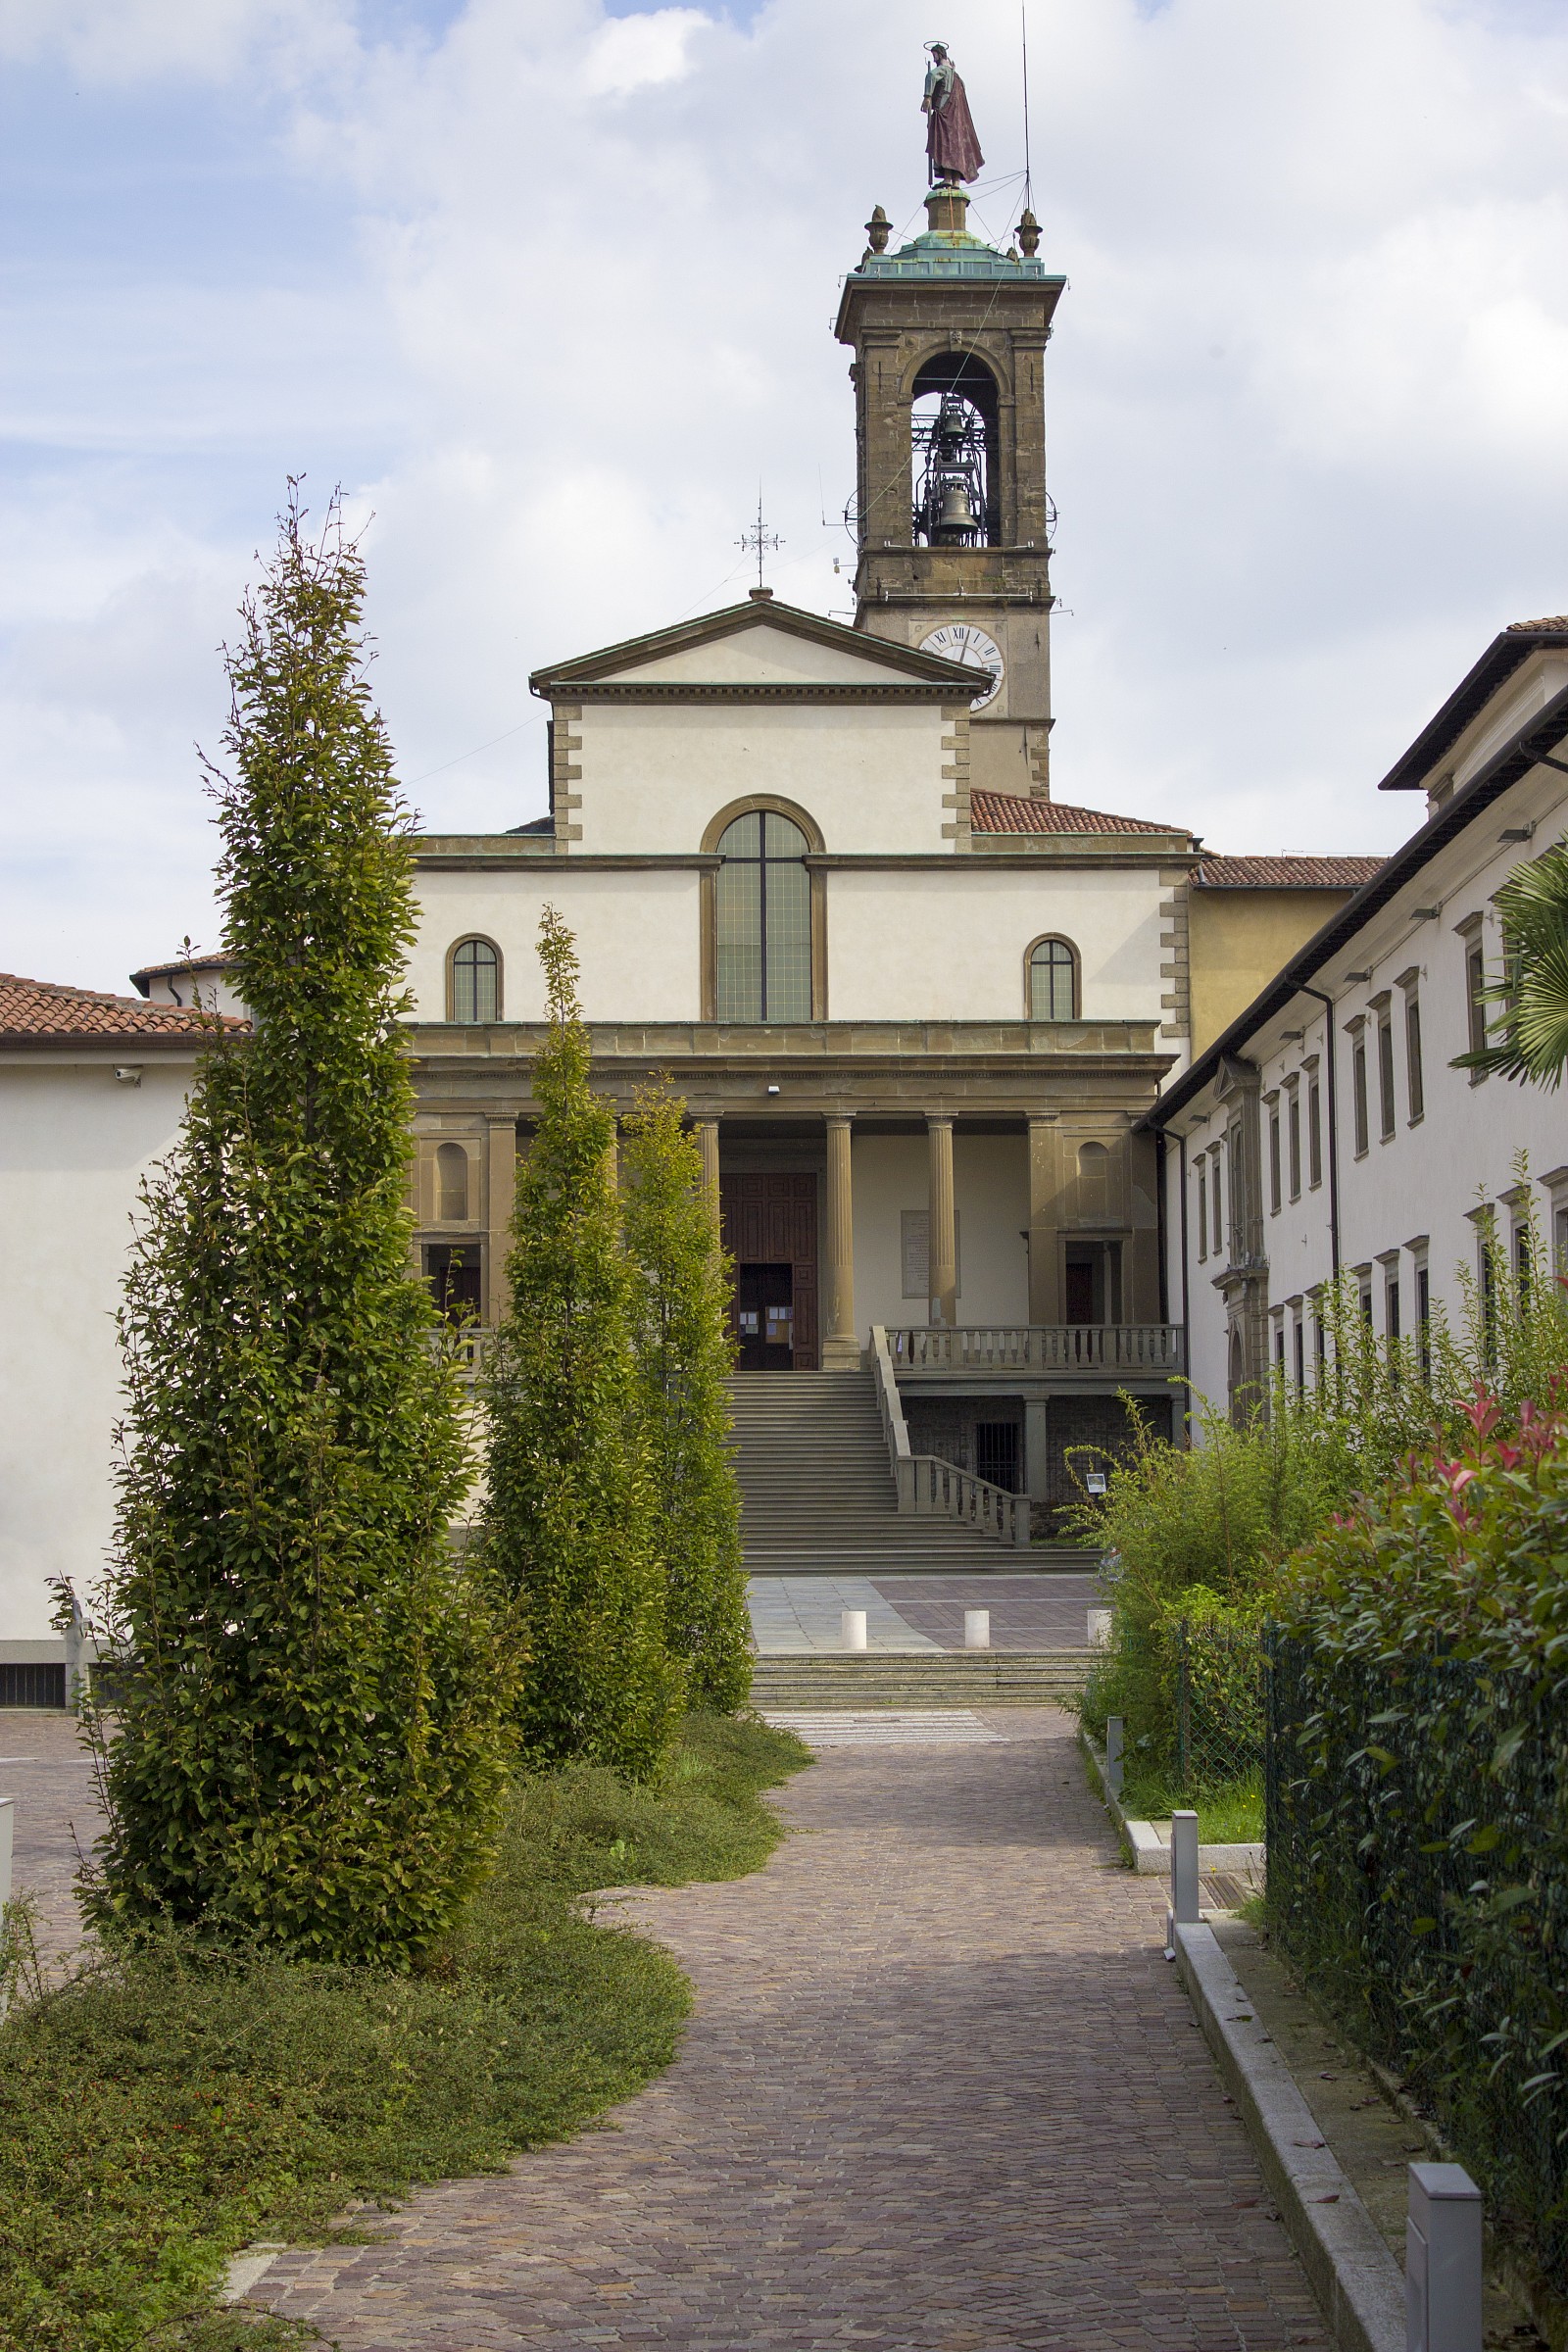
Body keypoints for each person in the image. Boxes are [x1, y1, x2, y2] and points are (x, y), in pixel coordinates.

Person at [922, 42, 984, 186]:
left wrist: (927, 96)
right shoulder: (957, 77)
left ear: (938, 55)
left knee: (945, 144)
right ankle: (955, 181)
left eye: (934, 55)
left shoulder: (943, 70)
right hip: (958, 120)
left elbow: (930, 76)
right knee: (956, 147)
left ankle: (948, 179)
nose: (934, 58)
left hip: (945, 113)